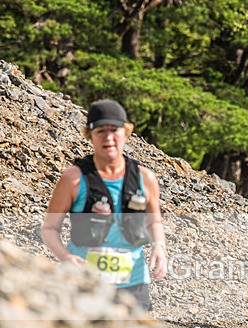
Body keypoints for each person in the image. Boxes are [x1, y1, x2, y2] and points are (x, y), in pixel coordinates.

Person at [42, 99, 167, 312]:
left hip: (133, 283)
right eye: (100, 131)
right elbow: (49, 229)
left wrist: (159, 247)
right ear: (90, 135)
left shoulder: (145, 179)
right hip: (83, 281)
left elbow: (154, 221)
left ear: (126, 134)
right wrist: (65, 256)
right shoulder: (73, 179)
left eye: (114, 130)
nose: (108, 137)